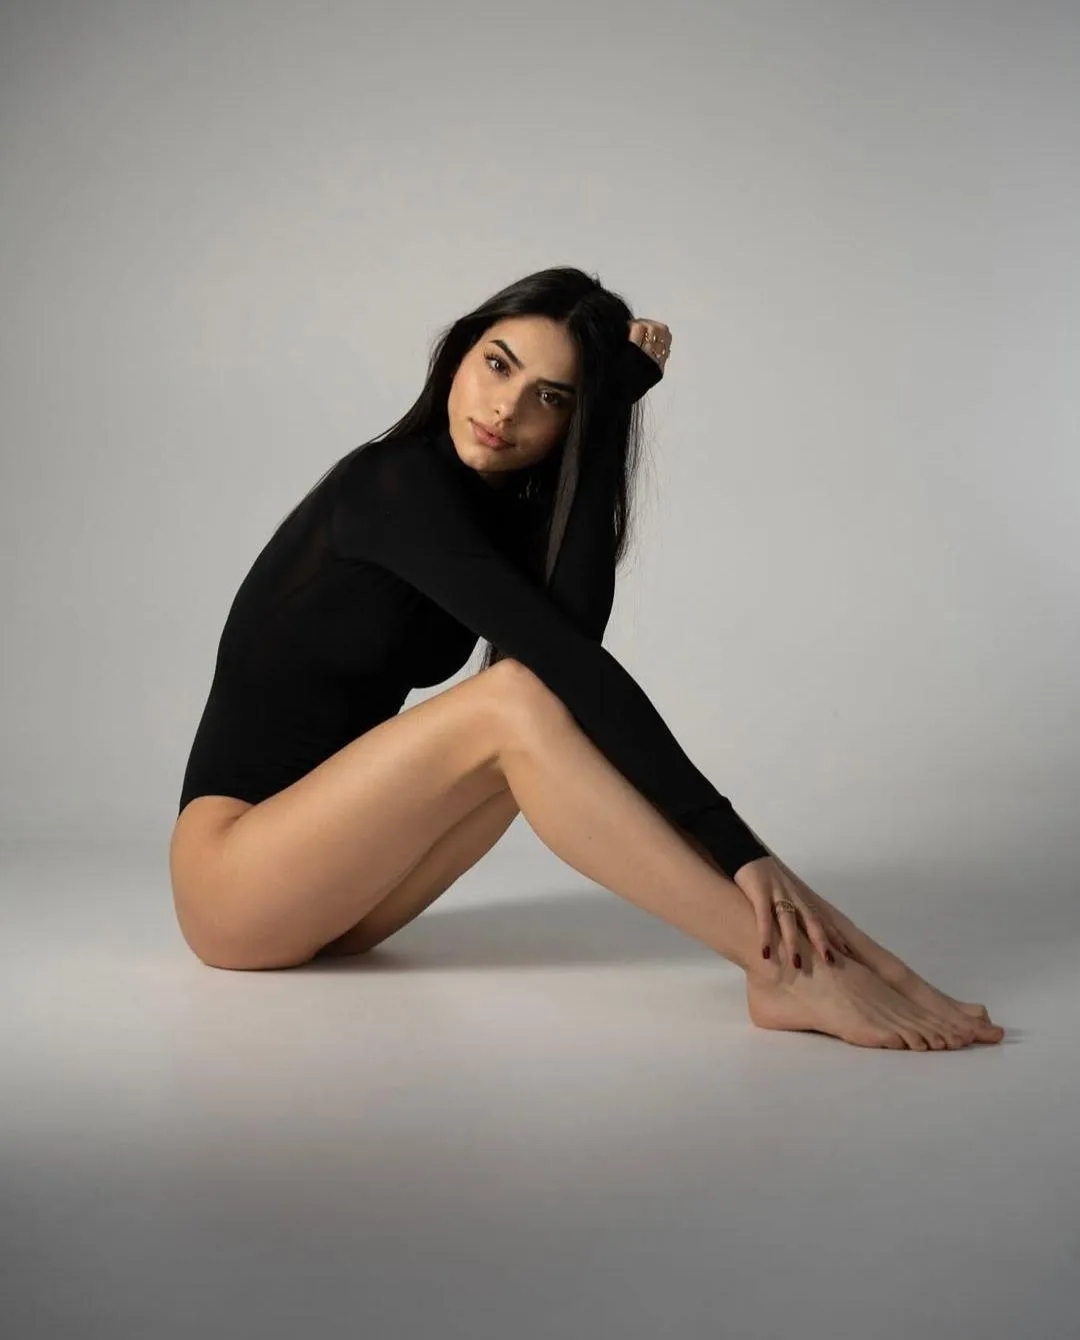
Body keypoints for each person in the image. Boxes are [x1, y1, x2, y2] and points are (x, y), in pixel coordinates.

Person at [169, 265, 1003, 1050]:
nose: (506, 408)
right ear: (461, 350)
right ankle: (779, 966)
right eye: (497, 365)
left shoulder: (489, 507)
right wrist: (739, 845)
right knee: (514, 703)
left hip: (345, 902)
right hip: (234, 882)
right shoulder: (390, 485)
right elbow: (561, 671)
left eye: (550, 398)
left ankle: (847, 954)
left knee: (528, 698)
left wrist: (605, 423)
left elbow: (566, 647)